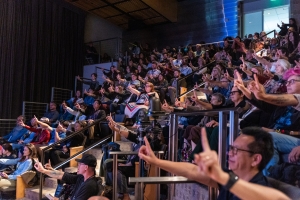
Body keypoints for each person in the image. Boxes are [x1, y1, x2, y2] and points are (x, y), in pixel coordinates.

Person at [138, 127, 290, 200]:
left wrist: (222, 178)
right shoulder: (233, 178)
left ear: (256, 159)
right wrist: (156, 161)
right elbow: (191, 170)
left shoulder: (257, 189)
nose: (229, 153)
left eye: (236, 150)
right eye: (231, 148)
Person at [34, 154, 99, 200]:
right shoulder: (81, 177)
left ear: (86, 167)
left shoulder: (90, 185)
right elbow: (61, 175)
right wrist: (43, 170)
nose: (78, 166)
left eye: (80, 164)